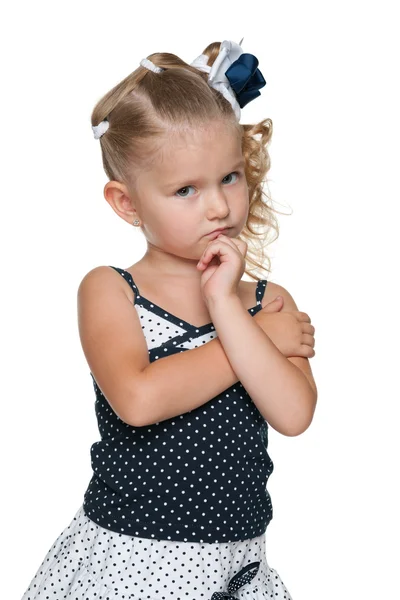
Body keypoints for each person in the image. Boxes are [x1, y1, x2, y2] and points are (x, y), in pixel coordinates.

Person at [21, 39, 317, 600]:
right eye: (186, 189)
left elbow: (295, 414)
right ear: (126, 203)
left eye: (230, 177)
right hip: (132, 558)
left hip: (238, 564)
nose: (218, 206)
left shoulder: (266, 301)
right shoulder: (111, 290)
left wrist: (230, 307)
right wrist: (253, 342)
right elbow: (138, 400)